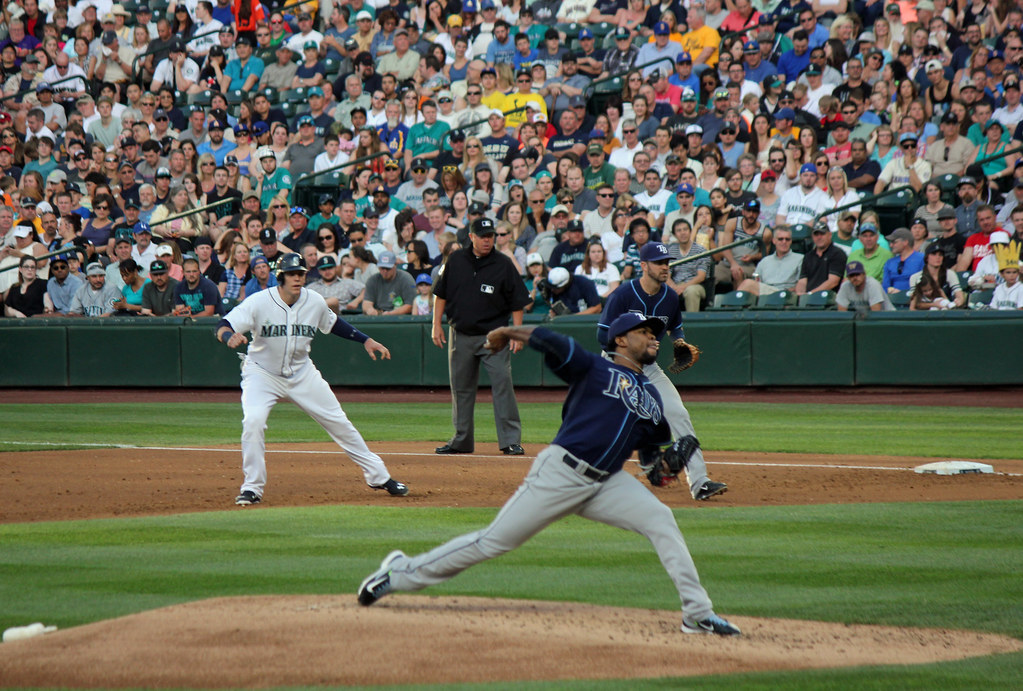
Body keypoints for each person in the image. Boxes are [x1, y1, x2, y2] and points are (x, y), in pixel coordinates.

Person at [356, 314, 741, 638]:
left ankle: (697, 613)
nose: (654, 337)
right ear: (621, 340)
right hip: (561, 472)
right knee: (493, 542)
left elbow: (652, 469)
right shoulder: (596, 368)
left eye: (655, 332)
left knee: (661, 519)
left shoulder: (654, 399)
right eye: (644, 331)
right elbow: (555, 342)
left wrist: (668, 469)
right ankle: (398, 572)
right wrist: (506, 331)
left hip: (607, 482)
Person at [215, 253, 408, 505]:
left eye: (301, 274)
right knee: (253, 421)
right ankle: (252, 487)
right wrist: (227, 336)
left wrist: (366, 340)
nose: (297, 278)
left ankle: (379, 477)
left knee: (339, 421)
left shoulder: (313, 300)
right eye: (292, 274)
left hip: (301, 372)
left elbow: (334, 323)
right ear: (281, 277)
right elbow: (223, 324)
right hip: (262, 373)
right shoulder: (259, 302)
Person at [598, 242, 727, 502]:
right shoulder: (624, 294)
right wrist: (634, 344)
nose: (665, 267)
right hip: (617, 367)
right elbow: (602, 336)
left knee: (678, 414)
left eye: (666, 262)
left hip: (648, 368)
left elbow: (675, 326)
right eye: (658, 263)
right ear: (644, 266)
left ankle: (700, 483)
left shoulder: (669, 296)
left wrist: (679, 342)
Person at [432, 217, 530, 456]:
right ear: (472, 237)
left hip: (494, 337)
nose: (487, 240)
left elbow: (518, 302)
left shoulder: (504, 264)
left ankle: (511, 440)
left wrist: (516, 333)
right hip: (461, 334)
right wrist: (436, 325)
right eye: (483, 236)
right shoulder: (455, 260)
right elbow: (440, 294)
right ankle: (461, 440)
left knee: (502, 385)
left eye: (491, 236)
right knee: (461, 389)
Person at [736, 225, 803, 295]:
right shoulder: (764, 261)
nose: (784, 242)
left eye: (787, 239)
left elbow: (802, 284)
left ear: (791, 241)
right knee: (747, 286)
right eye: (780, 239)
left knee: (747, 284)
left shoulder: (800, 259)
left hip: (786, 294)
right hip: (764, 294)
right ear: (774, 241)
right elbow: (756, 280)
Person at [882, 228, 925, 294]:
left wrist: (902, 293)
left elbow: (924, 284)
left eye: (894, 242)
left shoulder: (921, 259)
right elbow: (885, 286)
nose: (891, 245)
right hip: (893, 297)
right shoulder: (890, 263)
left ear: (905, 242)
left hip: (915, 297)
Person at [990, 241, 1023, 309]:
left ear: (1018, 273)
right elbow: (993, 308)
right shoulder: (999, 288)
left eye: (1014, 272)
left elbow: (1020, 309)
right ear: (1002, 274)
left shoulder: (1021, 288)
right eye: (1008, 272)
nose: (1012, 275)